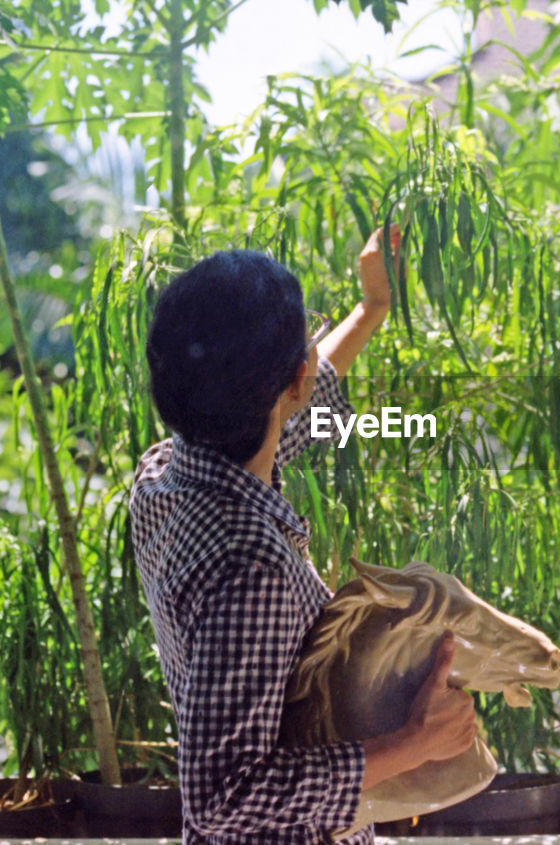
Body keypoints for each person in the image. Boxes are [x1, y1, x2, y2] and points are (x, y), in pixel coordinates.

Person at [129, 226, 478, 845]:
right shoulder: (251, 567)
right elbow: (223, 797)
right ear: (292, 380)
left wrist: (371, 310)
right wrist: (411, 744)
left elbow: (301, 412)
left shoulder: (167, 470)